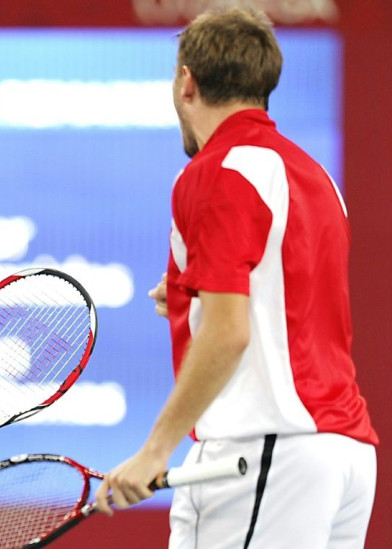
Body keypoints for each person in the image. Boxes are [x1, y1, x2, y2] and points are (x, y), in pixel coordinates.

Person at [94, 8, 377, 548]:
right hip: (343, 457)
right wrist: (188, 296)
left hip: (263, 451)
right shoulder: (314, 175)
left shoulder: (217, 171)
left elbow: (231, 331)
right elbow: (281, 297)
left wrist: (156, 448)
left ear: (186, 82)